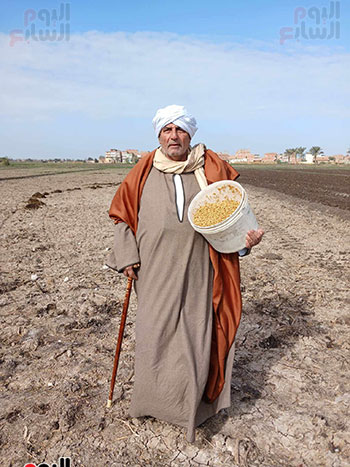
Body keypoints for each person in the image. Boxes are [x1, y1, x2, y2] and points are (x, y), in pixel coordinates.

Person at [107, 105, 264, 442]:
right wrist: (127, 257)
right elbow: (121, 217)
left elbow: (229, 223)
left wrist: (244, 242)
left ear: (190, 134)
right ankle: (150, 402)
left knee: (196, 335)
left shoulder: (209, 167)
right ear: (159, 135)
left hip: (200, 269)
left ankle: (191, 409)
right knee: (155, 333)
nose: (173, 136)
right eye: (167, 130)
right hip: (155, 269)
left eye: (180, 130)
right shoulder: (144, 169)